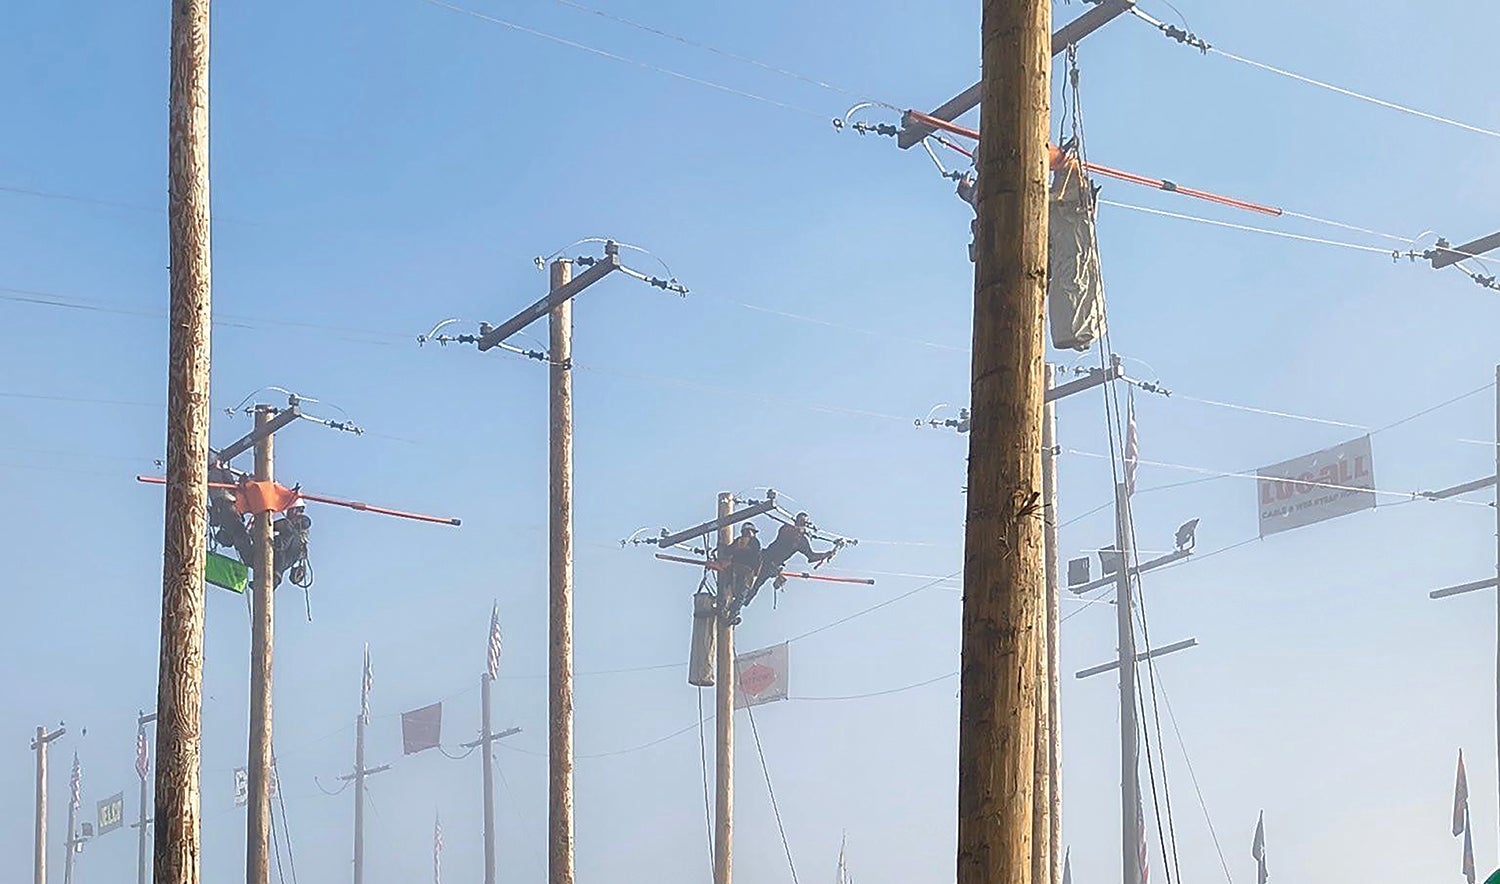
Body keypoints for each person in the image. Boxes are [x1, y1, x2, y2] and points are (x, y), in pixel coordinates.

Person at [743, 512, 836, 610]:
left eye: (804, 522)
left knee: (756, 585)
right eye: (800, 521)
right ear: (796, 521)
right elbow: (787, 532)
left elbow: (811, 557)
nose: (801, 524)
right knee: (745, 572)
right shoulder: (786, 529)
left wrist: (826, 554)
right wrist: (799, 530)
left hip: (772, 566)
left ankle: (737, 607)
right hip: (764, 557)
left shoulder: (802, 541)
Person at [719, 522, 762, 624]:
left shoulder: (740, 541)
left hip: (736, 570)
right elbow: (756, 555)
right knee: (740, 596)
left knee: (732, 592)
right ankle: (731, 615)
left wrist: (724, 547)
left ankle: (727, 610)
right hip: (745, 572)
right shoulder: (754, 542)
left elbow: (728, 551)